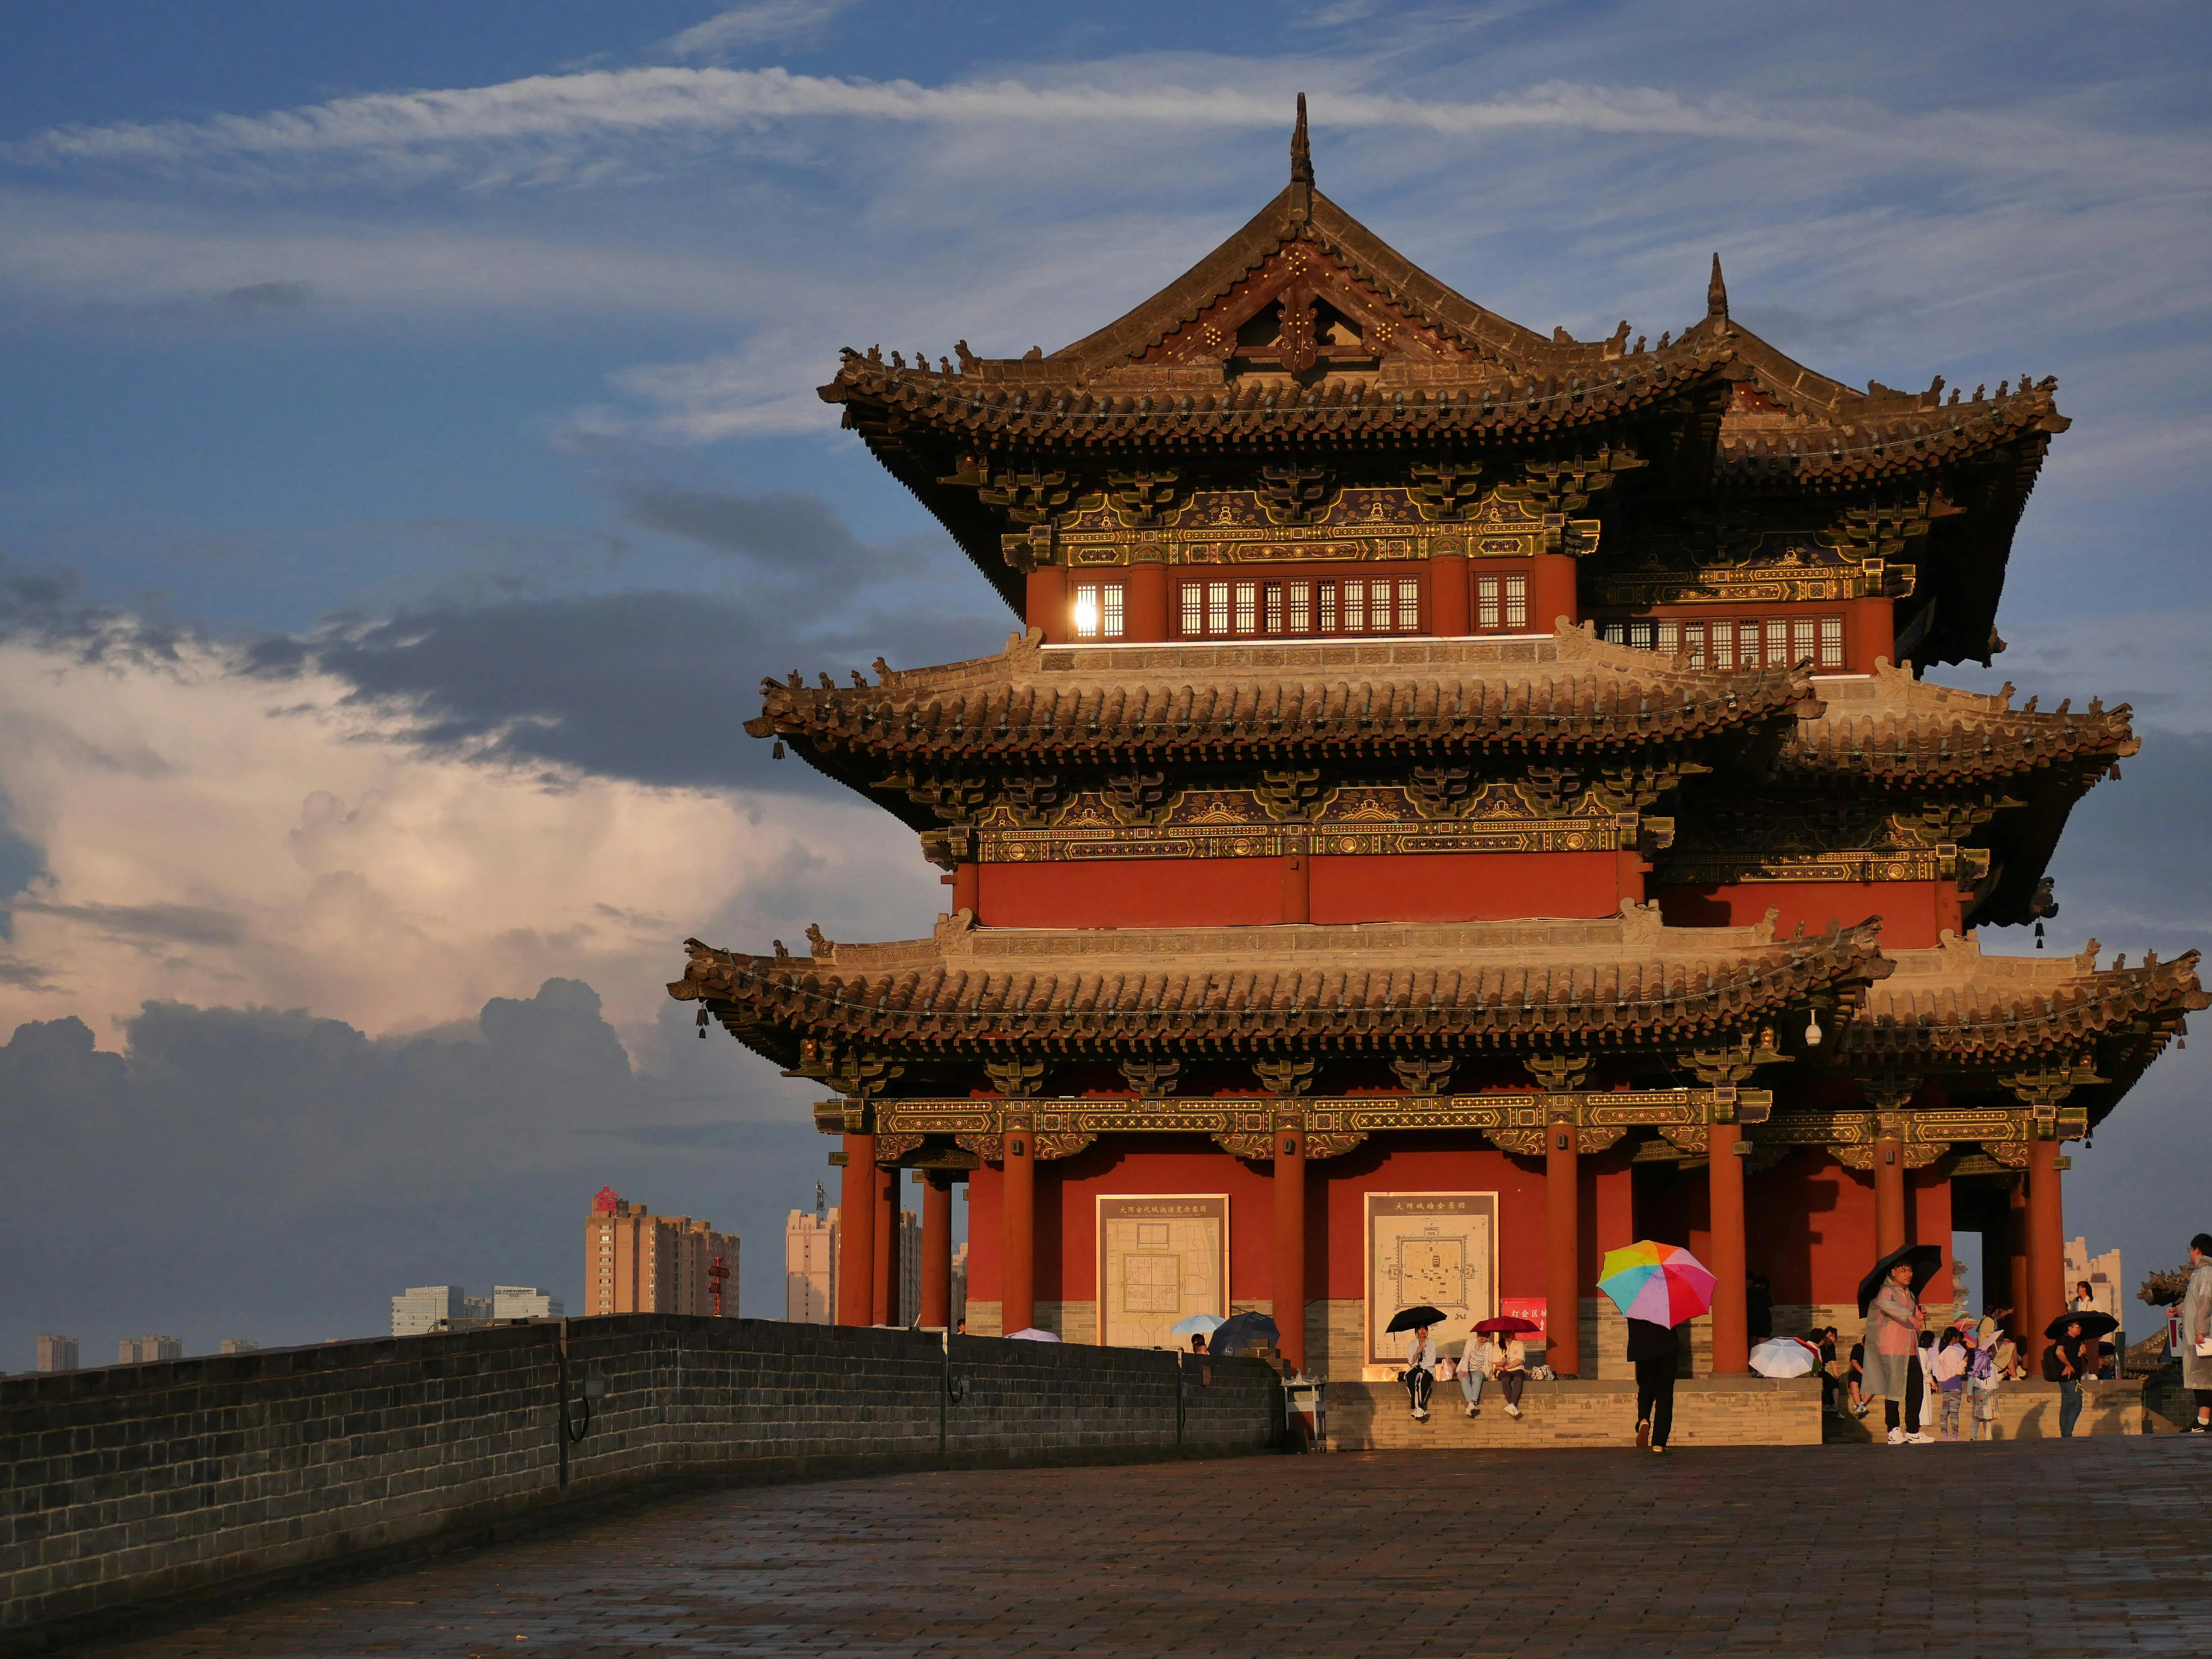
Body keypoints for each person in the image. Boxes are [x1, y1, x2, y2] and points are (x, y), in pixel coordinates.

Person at [1863, 1258, 1931, 1445]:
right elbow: (1886, 1306)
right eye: (1904, 1270)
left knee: (1916, 1391)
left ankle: (1913, 1430)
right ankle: (1893, 1429)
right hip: (1892, 1348)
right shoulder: (1887, 1291)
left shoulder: (1909, 1294)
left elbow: (1910, 1319)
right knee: (1894, 1392)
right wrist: (1909, 1315)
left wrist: (1918, 1315)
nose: (1908, 1274)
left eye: (1910, 1270)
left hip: (1910, 1350)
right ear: (1893, 1272)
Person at [1626, 1316, 1681, 1452]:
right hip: (1667, 1346)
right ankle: (1659, 1443)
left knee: (1645, 1389)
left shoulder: (1635, 1300)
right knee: (1665, 1395)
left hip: (1642, 1348)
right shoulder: (1669, 1299)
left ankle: (1644, 1419)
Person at [2182, 1233, 2212, 1433]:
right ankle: (2202, 1420)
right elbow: (2193, 1304)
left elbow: (2205, 1303)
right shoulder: (2199, 1273)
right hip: (2198, 1333)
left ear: (2197, 1251)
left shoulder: (2207, 1272)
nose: (2190, 1255)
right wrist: (2178, 1310)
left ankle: (2203, 1420)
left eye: (2191, 1250)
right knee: (2200, 1377)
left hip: (2203, 1335)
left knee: (2204, 1378)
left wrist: (2201, 1331)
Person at [2046, 1316, 2096, 1437]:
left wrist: (2080, 1353)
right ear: (2070, 1328)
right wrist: (2068, 1366)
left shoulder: (2075, 1342)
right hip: (2069, 1379)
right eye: (2077, 1326)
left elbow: (2073, 1357)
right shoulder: (2064, 1339)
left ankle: (2066, 1433)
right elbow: (2059, 1352)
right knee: (2076, 1404)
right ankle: (2067, 1433)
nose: (2080, 1329)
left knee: (2067, 1406)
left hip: (2072, 1379)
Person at [1932, 1327, 1969, 1442]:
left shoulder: (1943, 1353)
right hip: (1955, 1384)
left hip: (1946, 1385)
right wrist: (1965, 1362)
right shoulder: (1953, 1352)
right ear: (1954, 1338)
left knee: (1945, 1412)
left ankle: (1945, 1436)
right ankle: (1955, 1437)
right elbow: (1958, 1371)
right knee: (1954, 1412)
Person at [1965, 1326, 2002, 1441]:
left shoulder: (1993, 1366)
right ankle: (1973, 1437)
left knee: (1988, 1418)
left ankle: (1988, 1437)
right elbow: (1973, 1378)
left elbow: (1995, 1379)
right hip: (1981, 1391)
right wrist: (1969, 1392)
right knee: (1977, 1417)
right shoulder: (1979, 1364)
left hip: (1990, 1392)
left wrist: (2003, 1375)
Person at [1482, 1327, 1528, 1418]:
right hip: (1502, 1370)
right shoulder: (1497, 1346)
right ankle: (1512, 1406)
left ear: (1513, 1333)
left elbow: (1519, 1360)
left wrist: (1507, 1367)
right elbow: (1496, 1363)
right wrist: (1502, 1363)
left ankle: (1511, 1405)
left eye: (1509, 1333)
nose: (1507, 1335)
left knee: (1518, 1378)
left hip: (1517, 1368)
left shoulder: (1519, 1344)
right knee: (1506, 1379)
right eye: (1505, 1333)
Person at [1402, 1323, 1438, 1422]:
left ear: (1427, 1331)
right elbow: (1411, 1363)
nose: (1422, 1332)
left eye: (1424, 1329)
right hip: (1416, 1368)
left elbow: (1431, 1361)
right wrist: (1417, 1353)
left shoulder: (1433, 1343)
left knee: (1422, 1381)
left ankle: (1417, 1408)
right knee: (1411, 1380)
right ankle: (1419, 1409)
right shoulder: (1412, 1344)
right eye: (1420, 1329)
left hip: (1428, 1368)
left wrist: (1423, 1369)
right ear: (1416, 1331)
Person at [1458, 1329, 1489, 1417]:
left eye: (1485, 1335)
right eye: (1480, 1335)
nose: (1482, 1337)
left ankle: (1472, 1403)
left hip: (1479, 1370)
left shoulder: (1489, 1346)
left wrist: (1491, 1375)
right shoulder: (1471, 1342)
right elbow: (1466, 1355)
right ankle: (1471, 1404)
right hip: (1466, 1368)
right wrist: (1465, 1370)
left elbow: (1490, 1363)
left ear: (1488, 1337)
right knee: (1464, 1378)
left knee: (1477, 1378)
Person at [1746, 1274, 1774, 1344]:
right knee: (1763, 1346)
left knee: (1753, 1345)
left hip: (1751, 1320)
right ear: (1765, 1285)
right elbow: (1771, 1308)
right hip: (1764, 1322)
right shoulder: (1765, 1292)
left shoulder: (1748, 1292)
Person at [1846, 1338, 1869, 1418]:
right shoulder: (1857, 1348)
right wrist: (1863, 1372)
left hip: (1871, 1373)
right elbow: (1854, 1361)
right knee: (1853, 1380)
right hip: (1859, 1371)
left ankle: (1861, 1405)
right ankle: (1859, 1404)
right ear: (1863, 1343)